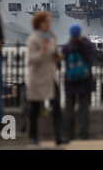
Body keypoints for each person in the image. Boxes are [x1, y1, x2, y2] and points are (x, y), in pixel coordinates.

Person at [26, 11, 64, 146]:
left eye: (50, 22)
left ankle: (59, 136)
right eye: (47, 22)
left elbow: (54, 53)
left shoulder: (52, 37)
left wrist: (58, 58)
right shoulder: (33, 39)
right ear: (40, 23)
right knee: (34, 109)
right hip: (38, 78)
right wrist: (42, 52)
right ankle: (33, 136)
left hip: (51, 76)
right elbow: (31, 60)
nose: (49, 24)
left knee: (57, 106)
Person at [62, 23, 96, 141]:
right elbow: (93, 51)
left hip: (71, 82)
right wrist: (84, 38)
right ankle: (83, 133)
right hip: (85, 81)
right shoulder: (86, 46)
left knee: (69, 109)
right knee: (83, 108)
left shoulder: (66, 48)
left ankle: (69, 134)